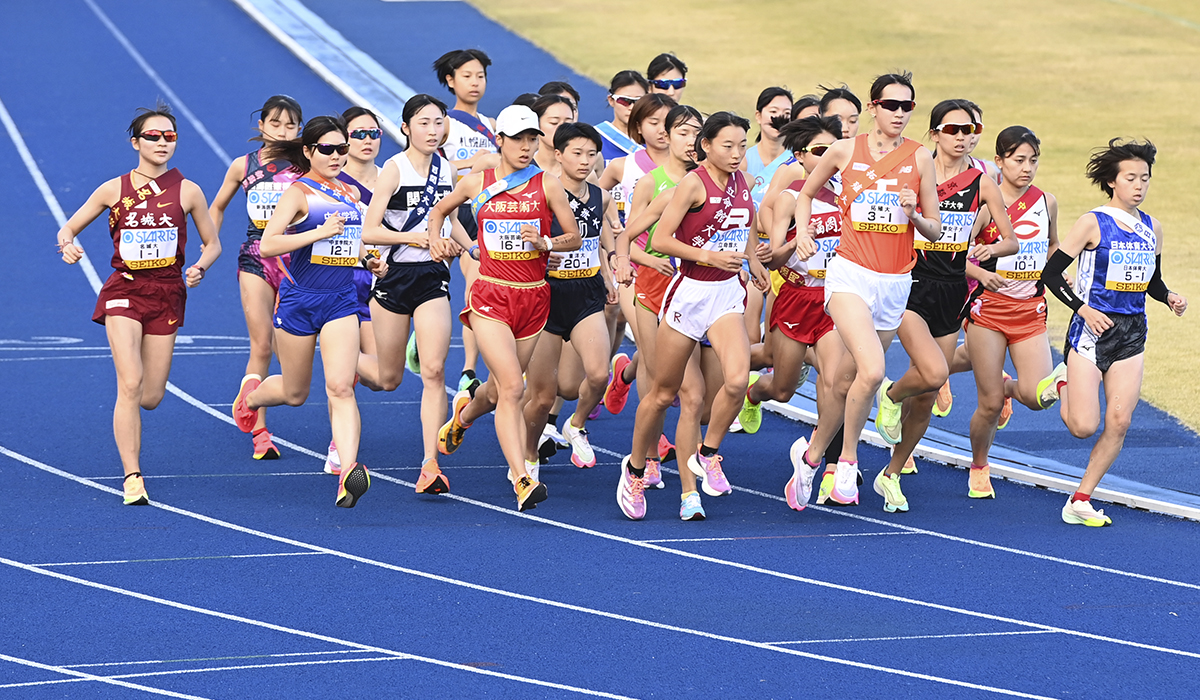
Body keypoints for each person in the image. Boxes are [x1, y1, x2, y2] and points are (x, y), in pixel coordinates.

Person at [790, 72, 942, 507]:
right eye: (891, 105)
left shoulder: (920, 159)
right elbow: (805, 194)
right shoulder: (843, 150)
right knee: (872, 371)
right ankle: (849, 462)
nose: (899, 113)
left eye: (907, 106)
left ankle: (812, 454)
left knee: (844, 379)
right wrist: (802, 234)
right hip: (850, 275)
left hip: (894, 282)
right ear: (873, 107)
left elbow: (934, 230)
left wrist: (914, 216)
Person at [57, 104, 221, 505]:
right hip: (124, 291)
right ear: (136, 142)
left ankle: (133, 427)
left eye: (170, 136)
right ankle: (133, 476)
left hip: (167, 292)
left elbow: (213, 243)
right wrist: (68, 245)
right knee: (129, 383)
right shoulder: (113, 189)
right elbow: (68, 227)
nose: (163, 142)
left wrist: (199, 266)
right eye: (153, 136)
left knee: (150, 396)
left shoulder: (189, 191)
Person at [427, 105, 582, 512]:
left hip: (533, 297)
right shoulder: (478, 181)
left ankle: (463, 416)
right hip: (491, 295)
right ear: (501, 141)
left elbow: (574, 235)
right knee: (514, 386)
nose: (527, 147)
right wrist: (450, 243)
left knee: (498, 391)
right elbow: (441, 213)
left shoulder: (547, 184)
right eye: (518, 139)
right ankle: (522, 478)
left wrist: (545, 243)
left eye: (532, 139)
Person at [618, 112, 769, 521]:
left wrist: (753, 261)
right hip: (689, 293)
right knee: (665, 394)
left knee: (738, 380)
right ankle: (633, 469)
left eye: (742, 146)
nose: (738, 154)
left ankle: (709, 453)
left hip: (726, 295)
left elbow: (745, 225)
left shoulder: (742, 183)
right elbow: (660, 238)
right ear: (706, 146)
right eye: (728, 146)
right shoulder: (691, 184)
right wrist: (707, 256)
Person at [869, 100, 1018, 513]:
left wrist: (988, 250)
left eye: (971, 129)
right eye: (953, 129)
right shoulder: (915, 167)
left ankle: (892, 474)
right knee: (934, 372)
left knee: (929, 392)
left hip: (953, 287)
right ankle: (891, 394)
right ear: (935, 133)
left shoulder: (982, 181)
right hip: (911, 281)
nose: (963, 137)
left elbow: (1011, 241)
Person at [231, 116, 387, 509]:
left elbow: (352, 244)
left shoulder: (351, 193)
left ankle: (349, 472)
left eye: (342, 148)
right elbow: (268, 245)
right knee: (295, 392)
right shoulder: (298, 193)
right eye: (328, 149)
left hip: (339, 301)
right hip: (300, 302)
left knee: (340, 386)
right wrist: (318, 232)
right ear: (308, 152)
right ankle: (250, 400)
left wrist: (370, 262)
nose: (337, 156)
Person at [1041, 139, 1186, 526]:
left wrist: (1168, 295)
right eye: (1131, 178)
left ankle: (1081, 498)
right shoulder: (1093, 222)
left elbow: (1151, 282)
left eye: (1145, 179)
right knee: (1082, 426)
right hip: (1091, 329)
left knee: (1120, 420)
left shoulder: (1153, 227)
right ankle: (1062, 383)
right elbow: (1051, 274)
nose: (1139, 185)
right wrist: (1083, 309)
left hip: (1132, 333)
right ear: (1112, 182)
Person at [355, 94, 464, 495]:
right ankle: (342, 355)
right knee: (389, 378)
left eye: (438, 123)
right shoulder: (393, 171)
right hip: (393, 277)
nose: (432, 131)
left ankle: (429, 465)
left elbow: (454, 223)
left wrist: (473, 252)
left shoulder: (447, 170)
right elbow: (369, 231)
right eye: (424, 123)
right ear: (405, 128)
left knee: (434, 371)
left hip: (432, 277)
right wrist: (413, 237)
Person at [738, 116, 847, 510]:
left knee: (838, 383)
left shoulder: (846, 191)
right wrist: (797, 242)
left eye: (833, 150)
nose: (828, 158)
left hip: (834, 300)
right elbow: (775, 256)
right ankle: (752, 393)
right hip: (797, 298)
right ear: (800, 156)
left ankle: (812, 460)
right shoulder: (791, 195)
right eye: (819, 151)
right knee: (782, 389)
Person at [612, 103, 705, 509]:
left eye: (696, 133)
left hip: (698, 292)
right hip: (653, 288)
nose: (690, 140)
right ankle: (649, 461)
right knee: (665, 381)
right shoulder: (652, 183)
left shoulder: (710, 181)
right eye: (682, 132)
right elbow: (631, 240)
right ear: (667, 136)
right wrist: (648, 262)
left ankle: (624, 371)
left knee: (698, 392)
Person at [963, 126, 1061, 495]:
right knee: (988, 406)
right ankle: (979, 464)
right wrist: (980, 273)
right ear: (999, 160)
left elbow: (1052, 247)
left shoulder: (1046, 202)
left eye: (1033, 160)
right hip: (989, 310)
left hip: (1030, 310)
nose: (1027, 168)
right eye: (1019, 160)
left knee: (1039, 398)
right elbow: (956, 255)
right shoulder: (986, 203)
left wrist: (1066, 274)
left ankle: (1006, 385)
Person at [208, 95, 302, 461]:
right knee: (261, 344)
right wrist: (208, 247)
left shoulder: (305, 163)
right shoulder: (242, 166)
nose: (283, 131)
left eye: (291, 125)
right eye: (275, 123)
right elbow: (216, 206)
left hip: (299, 263)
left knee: (294, 356)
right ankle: (260, 432)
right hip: (257, 258)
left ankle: (254, 396)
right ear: (261, 126)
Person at [521, 122, 618, 471]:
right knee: (543, 395)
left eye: (591, 154)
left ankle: (576, 424)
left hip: (586, 290)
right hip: (547, 294)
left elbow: (600, 241)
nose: (585, 161)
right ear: (558, 154)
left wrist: (608, 275)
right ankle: (528, 455)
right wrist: (544, 252)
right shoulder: (540, 193)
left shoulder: (601, 196)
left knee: (596, 376)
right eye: (577, 153)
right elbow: (525, 241)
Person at [433, 48, 497, 394]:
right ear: (450, 80)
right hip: (456, 213)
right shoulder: (442, 123)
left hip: (489, 216)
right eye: (467, 76)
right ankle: (469, 371)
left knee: (484, 286)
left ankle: (476, 367)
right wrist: (473, 164)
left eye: (480, 76)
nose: (474, 82)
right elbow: (431, 167)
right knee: (475, 286)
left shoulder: (492, 125)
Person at [597, 70, 649, 163]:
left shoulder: (655, 139)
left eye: (638, 101)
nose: (632, 107)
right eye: (625, 101)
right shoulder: (595, 137)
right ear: (611, 100)